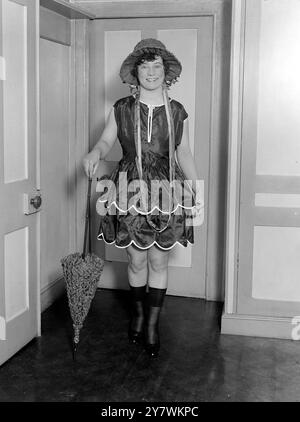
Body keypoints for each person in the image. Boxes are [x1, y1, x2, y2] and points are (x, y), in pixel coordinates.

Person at [83, 39, 203, 358]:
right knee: (136, 258)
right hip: (129, 186)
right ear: (136, 73)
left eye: (157, 66)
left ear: (166, 73)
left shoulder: (177, 112)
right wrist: (94, 152)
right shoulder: (121, 108)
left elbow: (184, 152)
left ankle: (151, 323)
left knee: (158, 259)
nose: (151, 72)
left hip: (167, 188)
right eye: (145, 66)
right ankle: (137, 313)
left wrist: (196, 186)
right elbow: (107, 140)